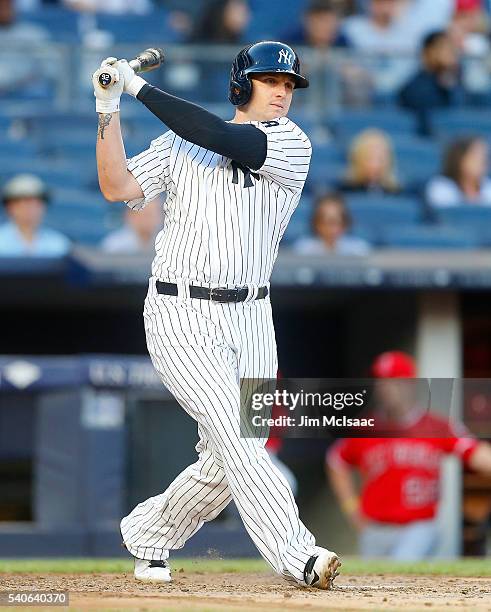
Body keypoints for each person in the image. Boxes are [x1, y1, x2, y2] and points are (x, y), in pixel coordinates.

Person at [92, 41, 341, 589]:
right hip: (181, 311)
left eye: (288, 84)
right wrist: (109, 111)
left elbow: (224, 138)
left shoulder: (290, 143)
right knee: (239, 434)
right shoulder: (177, 145)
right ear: (240, 84)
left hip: (252, 315)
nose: (281, 91)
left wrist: (138, 88)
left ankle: (151, 530)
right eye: (270, 80)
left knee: (224, 460)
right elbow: (117, 186)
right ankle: (297, 554)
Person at [326, 350, 491, 560]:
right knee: (373, 587)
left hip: (419, 528)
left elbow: (476, 453)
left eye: (394, 381)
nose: (385, 388)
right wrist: (351, 507)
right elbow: (336, 461)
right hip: (374, 528)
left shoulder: (436, 426)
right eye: (381, 381)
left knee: (400, 568)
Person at [398, 30, 464, 136]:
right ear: (427, 52)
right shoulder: (414, 88)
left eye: (451, 48)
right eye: (443, 48)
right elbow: (426, 125)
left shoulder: (456, 82)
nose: (450, 53)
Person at [0, 174, 70, 257]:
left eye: (37, 203)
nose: (30, 208)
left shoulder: (59, 244)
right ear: (10, 207)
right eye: (24, 203)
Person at [294, 192, 371, 255]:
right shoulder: (303, 249)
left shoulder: (359, 250)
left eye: (334, 222)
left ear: (344, 223)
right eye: (325, 222)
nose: (330, 228)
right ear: (316, 224)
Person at [425, 136, 491, 208]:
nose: (482, 161)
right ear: (459, 159)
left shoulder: (487, 186)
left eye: (484, 156)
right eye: (475, 156)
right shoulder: (441, 187)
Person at [338, 129, 402, 195]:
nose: (375, 165)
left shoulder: (396, 192)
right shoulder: (345, 191)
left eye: (380, 159)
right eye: (369, 158)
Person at [283, 0, 348, 49]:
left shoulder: (342, 41)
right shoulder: (290, 40)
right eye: (320, 21)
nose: (324, 27)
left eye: (328, 22)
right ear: (307, 21)